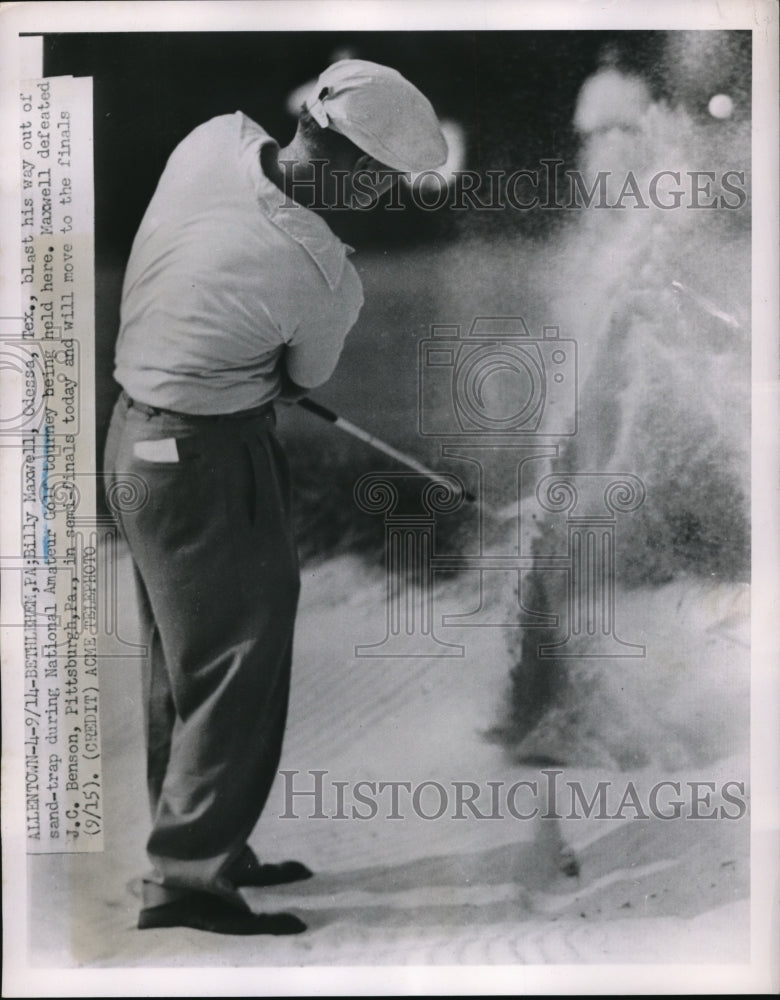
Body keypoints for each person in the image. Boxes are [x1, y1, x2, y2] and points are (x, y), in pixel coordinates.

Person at [103, 60, 447, 935]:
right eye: (388, 183)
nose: (383, 200)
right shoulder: (323, 269)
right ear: (358, 170)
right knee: (236, 664)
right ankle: (188, 879)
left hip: (130, 445)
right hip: (207, 459)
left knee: (185, 660)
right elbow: (305, 375)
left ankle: (205, 843)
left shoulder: (211, 138)